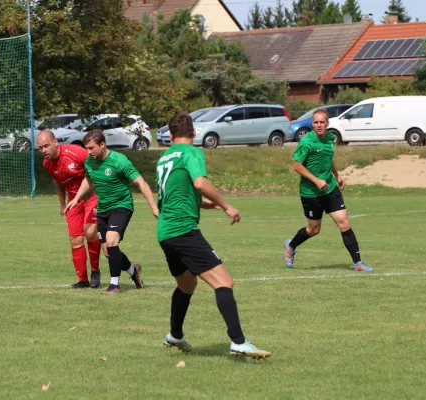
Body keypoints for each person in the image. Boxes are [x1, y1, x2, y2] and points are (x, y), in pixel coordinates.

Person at [157, 112, 271, 359]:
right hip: (183, 230)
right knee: (223, 282)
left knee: (186, 285)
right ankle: (239, 342)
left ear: (170, 134)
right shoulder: (193, 153)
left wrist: (206, 205)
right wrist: (226, 204)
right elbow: (200, 183)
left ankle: (175, 335)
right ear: (194, 133)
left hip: (165, 232)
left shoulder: (164, 157)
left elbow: (176, 193)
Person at [66, 129, 159, 295]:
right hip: (102, 209)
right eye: (86, 148)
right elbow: (88, 180)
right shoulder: (89, 161)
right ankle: (133, 271)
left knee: (111, 240)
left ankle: (114, 285)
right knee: (109, 251)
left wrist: (153, 207)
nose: (88, 152)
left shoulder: (119, 161)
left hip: (121, 206)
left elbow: (141, 183)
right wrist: (76, 198)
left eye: (91, 148)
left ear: (102, 145)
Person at [283, 108, 372, 272]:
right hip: (310, 193)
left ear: (327, 123)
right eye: (315, 122)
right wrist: (316, 180)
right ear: (312, 124)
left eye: (322, 122)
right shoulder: (307, 142)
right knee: (314, 229)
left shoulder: (331, 138)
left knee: (344, 222)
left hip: (330, 189)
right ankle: (291, 245)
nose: (319, 125)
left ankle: (358, 263)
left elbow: (328, 158)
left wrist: (336, 175)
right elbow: (297, 165)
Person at [38, 130, 102, 289]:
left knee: (90, 232)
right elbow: (58, 182)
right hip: (73, 201)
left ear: (55, 142)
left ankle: (95, 270)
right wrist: (62, 204)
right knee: (75, 239)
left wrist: (92, 190)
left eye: (46, 146)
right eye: (40, 148)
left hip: (92, 195)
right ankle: (83, 279)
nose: (44, 150)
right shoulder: (46, 163)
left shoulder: (76, 153)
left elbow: (95, 169)